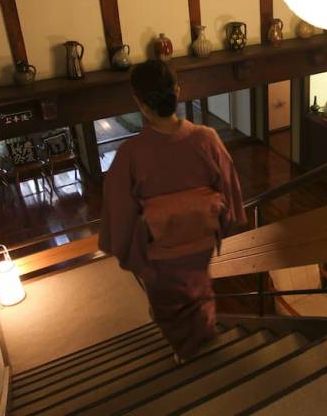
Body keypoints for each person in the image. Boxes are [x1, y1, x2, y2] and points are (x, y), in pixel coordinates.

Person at [99, 60, 246, 362]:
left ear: (140, 103)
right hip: (201, 243)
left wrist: (130, 252)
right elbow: (230, 191)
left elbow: (120, 213)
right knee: (200, 289)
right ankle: (204, 332)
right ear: (177, 91)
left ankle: (185, 349)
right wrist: (217, 223)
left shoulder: (131, 154)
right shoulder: (207, 138)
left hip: (161, 254)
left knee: (168, 304)